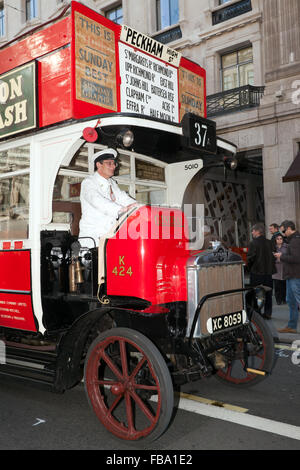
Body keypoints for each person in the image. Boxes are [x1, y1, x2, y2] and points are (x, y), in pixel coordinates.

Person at [79, 148, 136, 247]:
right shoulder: (89, 182)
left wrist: (139, 207)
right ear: (98, 165)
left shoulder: (112, 183)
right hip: (93, 239)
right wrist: (120, 209)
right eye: (109, 163)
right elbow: (96, 200)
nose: (113, 166)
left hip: (110, 236)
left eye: (114, 163)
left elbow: (123, 198)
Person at [274, 220, 300, 333]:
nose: (283, 233)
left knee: (297, 301)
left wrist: (282, 256)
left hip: (295, 275)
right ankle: (292, 326)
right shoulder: (293, 240)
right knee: (291, 301)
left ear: (289, 228)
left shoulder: (295, 241)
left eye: (283, 230)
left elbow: (296, 259)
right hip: (291, 275)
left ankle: (292, 326)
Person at [247, 223, 275, 319]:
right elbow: (274, 256)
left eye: (253, 231)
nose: (252, 232)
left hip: (256, 273)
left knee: (256, 293)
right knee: (268, 293)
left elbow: (250, 258)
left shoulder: (253, 243)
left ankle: (257, 313)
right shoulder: (270, 242)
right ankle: (268, 313)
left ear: (258, 231)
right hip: (268, 273)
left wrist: (249, 268)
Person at [272, 234, 287, 305]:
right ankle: (278, 300)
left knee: (284, 286)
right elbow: (271, 257)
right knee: (277, 286)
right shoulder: (273, 247)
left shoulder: (286, 247)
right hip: (276, 269)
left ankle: (284, 299)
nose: (279, 240)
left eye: (281, 238)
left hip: (284, 268)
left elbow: (288, 256)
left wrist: (281, 257)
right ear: (275, 240)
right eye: (278, 239)